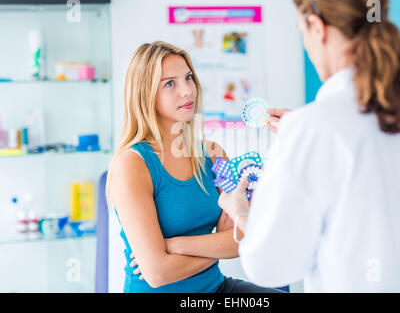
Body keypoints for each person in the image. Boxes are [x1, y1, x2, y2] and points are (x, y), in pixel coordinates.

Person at [218, 0, 400, 292]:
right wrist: (306, 133)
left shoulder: (312, 131)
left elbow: (270, 266)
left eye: (303, 34)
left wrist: (240, 212)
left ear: (317, 27)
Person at [106, 41, 284, 293]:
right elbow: (157, 273)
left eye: (188, 78)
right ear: (144, 93)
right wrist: (216, 245)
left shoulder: (213, 155)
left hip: (215, 288)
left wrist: (175, 245)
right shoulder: (132, 165)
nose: (187, 90)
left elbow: (239, 238)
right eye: (170, 83)